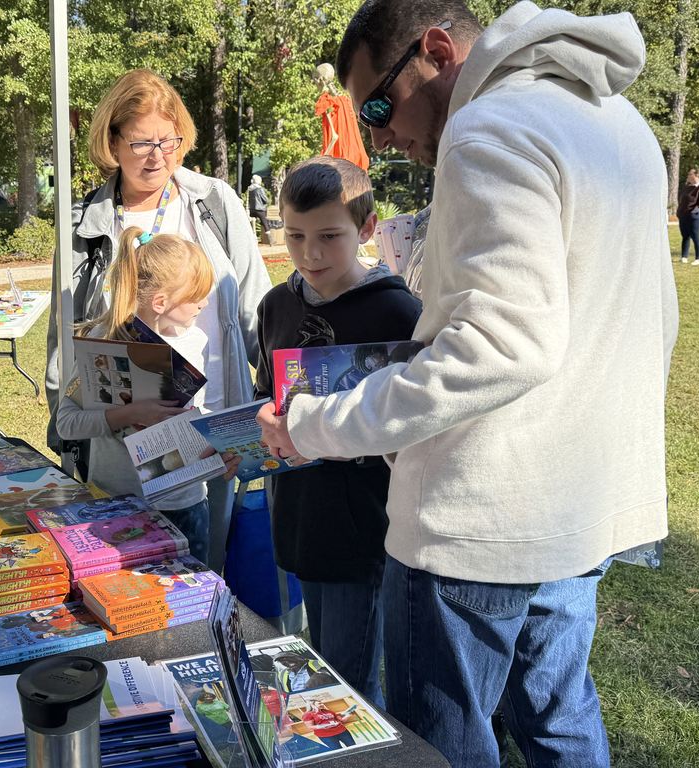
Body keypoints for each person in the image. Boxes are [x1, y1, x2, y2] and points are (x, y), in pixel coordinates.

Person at [256, 3, 678, 766]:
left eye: (378, 106)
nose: (379, 136)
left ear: (438, 51)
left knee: (442, 748)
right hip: (578, 503)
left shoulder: (487, 130)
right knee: (559, 723)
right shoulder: (616, 123)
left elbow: (499, 345)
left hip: (478, 522)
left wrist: (315, 424)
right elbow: (650, 318)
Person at [45, 69, 271, 572]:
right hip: (120, 452)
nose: (157, 156)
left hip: (212, 429)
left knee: (207, 570)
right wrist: (72, 435)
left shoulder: (214, 203)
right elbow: (66, 336)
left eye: (168, 141)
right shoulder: (88, 224)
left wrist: (251, 429)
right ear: (112, 140)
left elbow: (256, 311)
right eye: (142, 141)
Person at [254, 157, 420, 707]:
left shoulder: (399, 312)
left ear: (367, 228)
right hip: (297, 515)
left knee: (347, 685)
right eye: (295, 236)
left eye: (330, 236)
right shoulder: (277, 305)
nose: (311, 254)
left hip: (362, 527)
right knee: (317, 659)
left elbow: (415, 423)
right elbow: (266, 399)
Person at [55, 228, 219, 563]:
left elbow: (204, 416)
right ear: (161, 302)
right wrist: (130, 414)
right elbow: (66, 423)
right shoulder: (103, 344)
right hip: (118, 504)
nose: (205, 303)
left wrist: (218, 443)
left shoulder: (195, 341)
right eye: (197, 295)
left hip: (184, 503)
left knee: (190, 604)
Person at [677, 168, 699, 264]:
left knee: (695, 236)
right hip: (683, 215)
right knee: (685, 236)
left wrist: (694, 212)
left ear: (695, 175)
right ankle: (684, 257)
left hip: (696, 216)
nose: (688, 176)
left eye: (689, 174)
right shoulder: (687, 187)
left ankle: (698, 258)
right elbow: (681, 199)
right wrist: (679, 212)